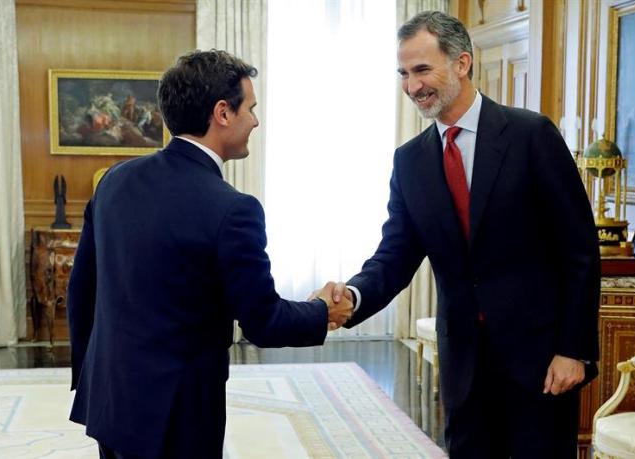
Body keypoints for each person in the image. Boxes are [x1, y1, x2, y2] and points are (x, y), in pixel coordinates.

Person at [324, 11, 600, 458]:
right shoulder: (410, 161)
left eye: (421, 70)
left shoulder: (531, 136)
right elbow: (395, 254)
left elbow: (579, 252)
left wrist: (574, 350)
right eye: (404, 74)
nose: (412, 87)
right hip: (465, 369)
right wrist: (353, 296)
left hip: (541, 363)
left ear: (462, 63)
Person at [66, 50, 353, 459]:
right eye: (250, 108)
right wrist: (323, 311)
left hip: (111, 399)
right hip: (177, 414)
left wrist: (90, 375)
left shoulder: (114, 181)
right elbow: (264, 322)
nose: (255, 120)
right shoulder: (233, 209)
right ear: (223, 112)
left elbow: (82, 288)